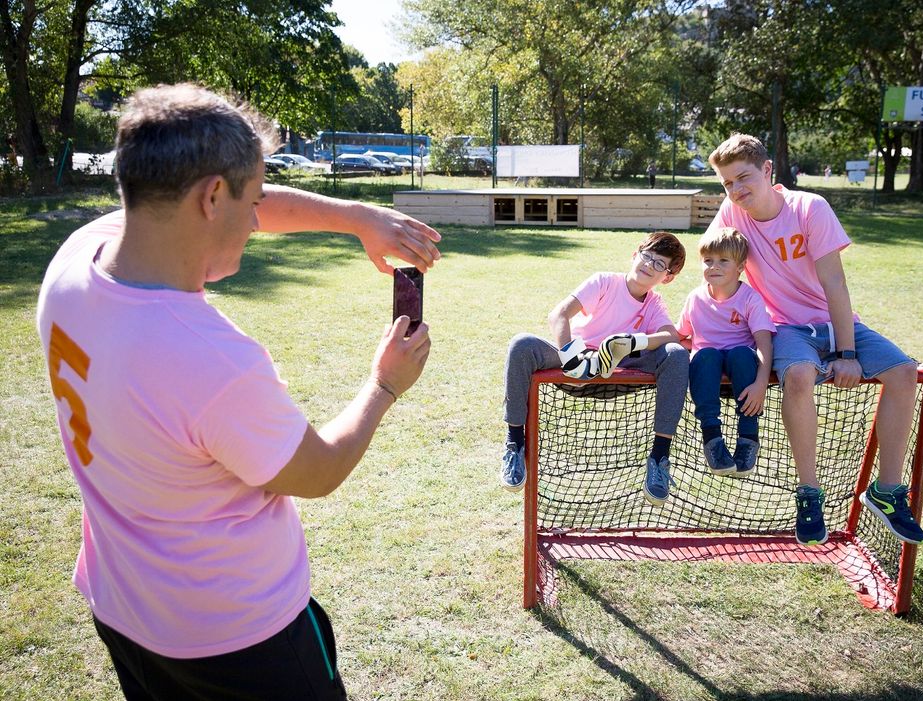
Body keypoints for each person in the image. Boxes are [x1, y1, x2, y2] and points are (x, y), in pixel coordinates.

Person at [35, 84, 441, 700]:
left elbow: (226, 199)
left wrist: (358, 219)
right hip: (242, 642)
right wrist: (385, 383)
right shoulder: (209, 360)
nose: (259, 220)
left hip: (125, 612)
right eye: (252, 200)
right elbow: (318, 469)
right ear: (213, 196)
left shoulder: (75, 259)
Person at [706, 133, 923, 547]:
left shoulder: (810, 207)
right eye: (726, 183)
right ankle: (809, 494)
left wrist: (846, 352)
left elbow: (835, 283)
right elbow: (714, 267)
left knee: (904, 372)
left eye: (743, 178)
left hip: (835, 321)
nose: (736, 190)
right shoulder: (731, 214)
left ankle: (887, 490)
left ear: (768, 170)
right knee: (798, 377)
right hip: (786, 328)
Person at [500, 231, 689, 505]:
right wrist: (570, 356)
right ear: (635, 254)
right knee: (522, 344)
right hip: (579, 364)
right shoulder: (604, 281)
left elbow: (672, 336)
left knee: (676, 354)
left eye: (659, 264)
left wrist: (636, 341)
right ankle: (515, 446)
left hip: (620, 369)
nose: (649, 265)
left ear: (668, 277)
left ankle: (659, 458)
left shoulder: (654, 304)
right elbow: (559, 314)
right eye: (647, 256)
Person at [677, 227, 774, 478]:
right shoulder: (695, 298)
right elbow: (680, 335)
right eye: (708, 260)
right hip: (707, 372)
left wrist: (761, 384)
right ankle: (713, 440)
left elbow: (764, 343)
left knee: (741, 353)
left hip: (740, 373)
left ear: (740, 266)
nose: (714, 266)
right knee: (706, 354)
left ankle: (748, 438)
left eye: (723, 261)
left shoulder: (750, 299)